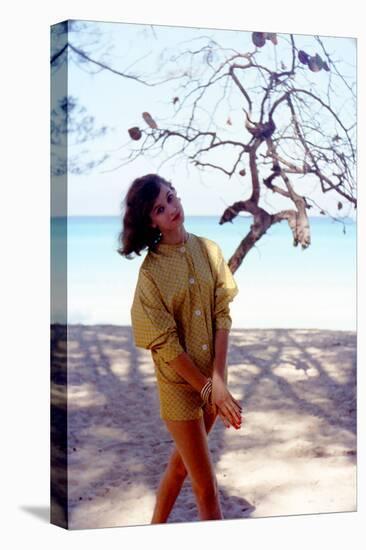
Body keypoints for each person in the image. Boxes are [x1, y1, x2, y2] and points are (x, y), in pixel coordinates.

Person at [117, 173, 243, 523]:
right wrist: (206, 388)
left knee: (179, 468)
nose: (171, 208)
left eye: (171, 197)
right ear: (149, 220)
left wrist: (217, 381)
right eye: (160, 207)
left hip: (212, 380)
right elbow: (164, 343)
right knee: (206, 488)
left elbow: (222, 314)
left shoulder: (210, 250)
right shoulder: (151, 275)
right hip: (179, 387)